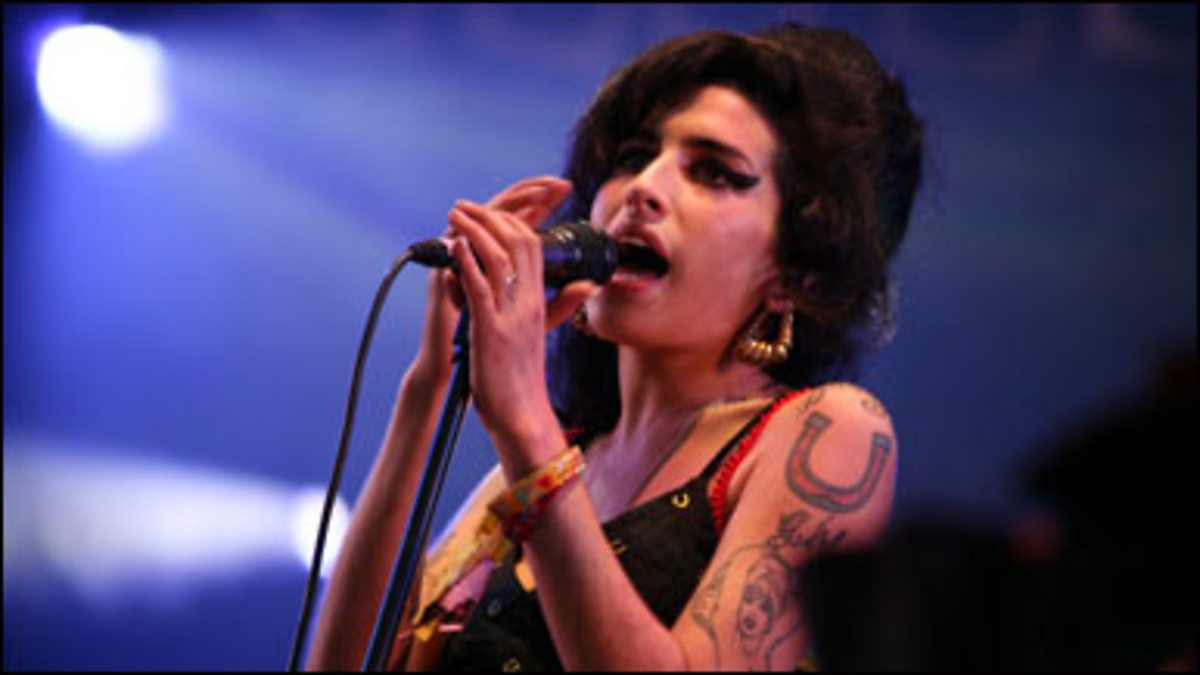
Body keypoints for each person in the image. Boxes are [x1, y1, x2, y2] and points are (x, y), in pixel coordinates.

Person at [307, 21, 925, 672]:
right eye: (633, 156)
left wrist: (524, 423)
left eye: (713, 172)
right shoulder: (539, 468)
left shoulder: (828, 431)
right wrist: (431, 382)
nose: (643, 188)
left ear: (797, 271)